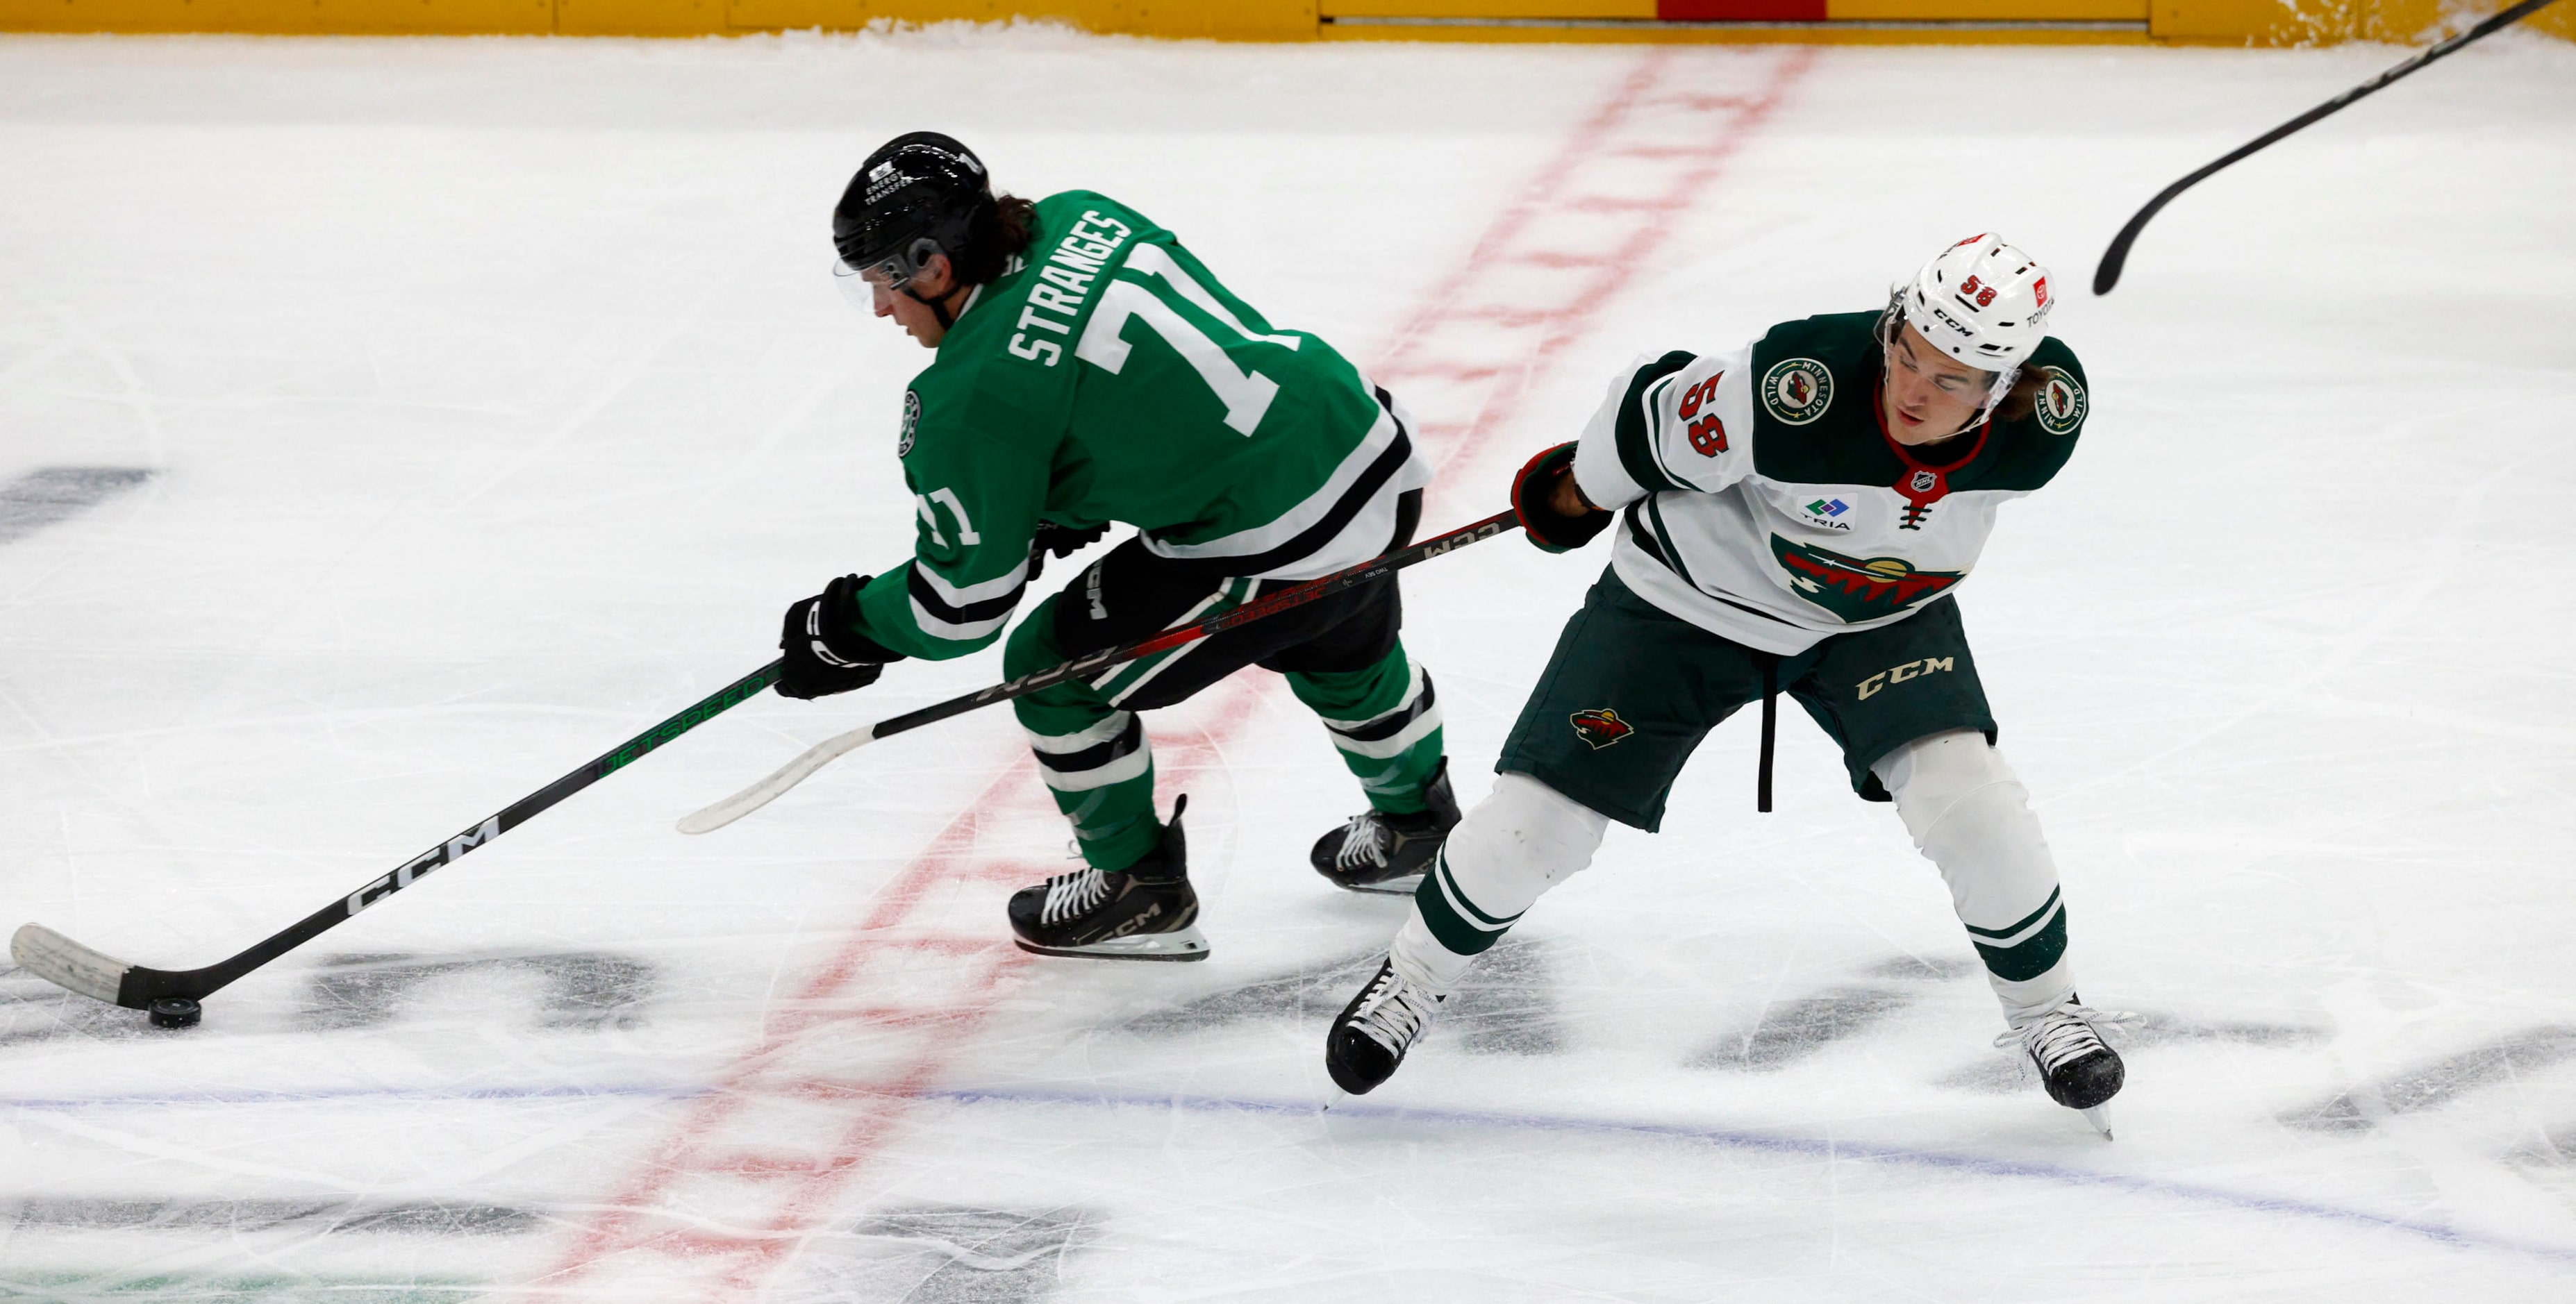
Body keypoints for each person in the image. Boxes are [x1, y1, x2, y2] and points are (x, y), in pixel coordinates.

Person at [1322, 235, 2132, 1130]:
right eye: (1905, 354)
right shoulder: (1798, 385)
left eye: (1948, 382)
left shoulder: (2046, 416)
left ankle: (2047, 1012)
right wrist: (1574, 496)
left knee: (1972, 801)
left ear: (2002, 386)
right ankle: (1412, 983)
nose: (1909, 390)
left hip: (1875, 622)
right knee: (1535, 823)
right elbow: (1646, 416)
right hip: (1683, 608)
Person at [778, 131, 1462, 962]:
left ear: (933, 264)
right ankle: (1417, 822)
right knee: (1336, 632)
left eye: (884, 281)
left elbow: (958, 608)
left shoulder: (966, 398)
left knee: (1050, 673)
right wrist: (1066, 492)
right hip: (1361, 441)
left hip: (1271, 536)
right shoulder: (1082, 217)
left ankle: (1138, 887)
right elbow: (1147, 380)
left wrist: (847, 629)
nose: (883, 308)